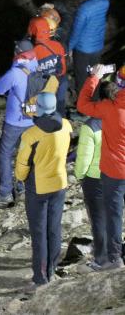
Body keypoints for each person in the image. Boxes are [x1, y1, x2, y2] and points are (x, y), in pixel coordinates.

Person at [14, 90, 70, 287]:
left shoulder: (30, 135)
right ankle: (52, 269)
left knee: (39, 232)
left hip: (38, 187)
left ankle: (41, 276)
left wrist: (20, 179)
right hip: (60, 182)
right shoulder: (66, 126)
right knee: (54, 228)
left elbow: (22, 166)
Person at [77, 64, 125, 270]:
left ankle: (115, 259)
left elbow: (82, 105)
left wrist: (94, 78)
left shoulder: (109, 107)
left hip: (114, 171)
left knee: (114, 214)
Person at [0, 40, 40, 207]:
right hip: (33, 118)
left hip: (15, 121)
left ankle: (5, 192)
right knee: (26, 153)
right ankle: (23, 187)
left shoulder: (15, 72)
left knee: (5, 154)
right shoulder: (37, 65)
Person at [75, 86, 107, 270]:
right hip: (119, 174)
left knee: (99, 219)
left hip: (96, 178)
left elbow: (84, 158)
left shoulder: (91, 126)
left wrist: (80, 175)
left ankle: (102, 258)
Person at [67, 0, 109, 103]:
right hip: (97, 47)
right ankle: (95, 101)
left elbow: (76, 32)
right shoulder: (105, 2)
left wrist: (69, 48)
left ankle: (83, 107)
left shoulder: (84, 9)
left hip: (82, 49)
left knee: (81, 77)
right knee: (95, 74)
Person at [29, 15, 69, 116]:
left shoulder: (31, 51)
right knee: (60, 104)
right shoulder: (57, 45)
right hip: (60, 82)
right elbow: (63, 69)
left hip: (43, 88)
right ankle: (61, 122)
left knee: (38, 108)